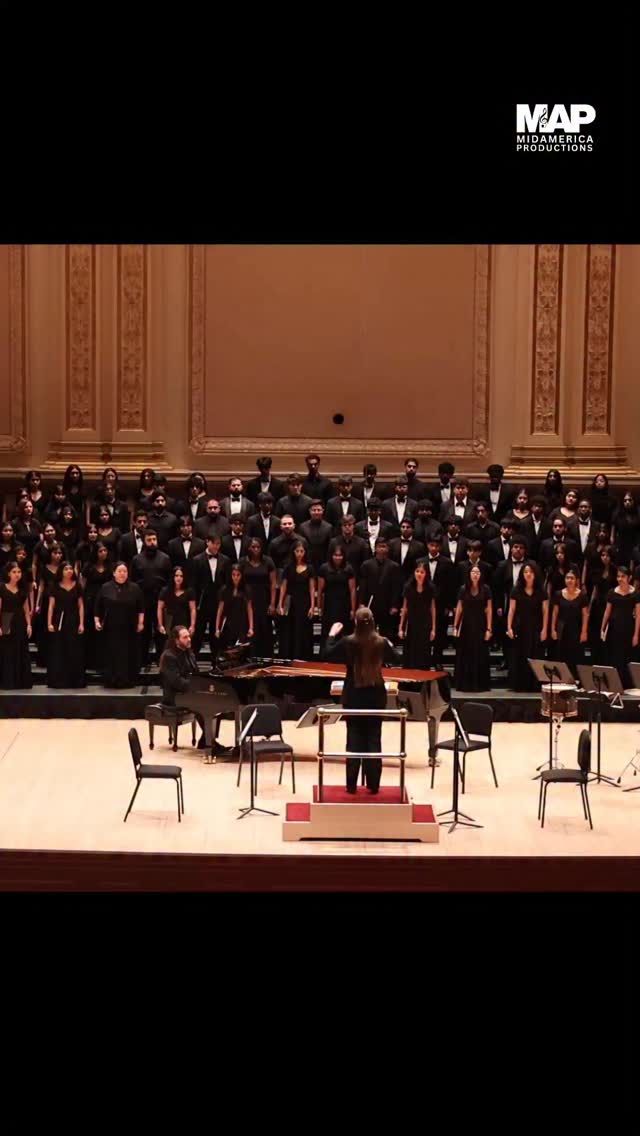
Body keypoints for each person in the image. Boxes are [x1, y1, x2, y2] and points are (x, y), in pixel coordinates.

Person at [322, 607, 403, 794]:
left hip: (354, 696)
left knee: (353, 740)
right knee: (374, 739)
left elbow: (326, 654)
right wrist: (389, 644)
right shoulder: (381, 642)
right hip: (376, 697)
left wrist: (331, 635)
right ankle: (373, 784)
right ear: (373, 622)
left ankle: (351, 785)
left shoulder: (347, 642)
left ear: (356, 623)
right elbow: (398, 659)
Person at [158, 624, 210, 756]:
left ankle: (207, 739)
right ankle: (210, 742)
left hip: (188, 692)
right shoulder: (168, 656)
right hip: (174, 696)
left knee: (214, 701)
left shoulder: (189, 653)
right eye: (185, 637)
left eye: (189, 636)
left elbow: (196, 674)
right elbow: (176, 681)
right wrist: (195, 689)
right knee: (202, 704)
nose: (189, 639)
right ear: (176, 640)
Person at [95, 562, 144, 688]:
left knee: (128, 653)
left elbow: (141, 608)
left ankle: (127, 680)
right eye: (120, 571)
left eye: (125, 571)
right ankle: (111, 679)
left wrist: (140, 623)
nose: (122, 573)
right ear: (114, 573)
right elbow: (98, 607)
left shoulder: (135, 588)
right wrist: (97, 621)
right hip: (111, 627)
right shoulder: (105, 587)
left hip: (129, 627)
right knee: (111, 653)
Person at [130, 529, 172, 664]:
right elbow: (133, 581)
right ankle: (143, 659)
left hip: (161, 601)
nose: (152, 542)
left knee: (161, 631)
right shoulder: (137, 559)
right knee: (144, 632)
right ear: (144, 541)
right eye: (149, 540)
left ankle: (162, 659)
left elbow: (169, 581)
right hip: (143, 600)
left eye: (154, 539)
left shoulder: (165, 558)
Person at [506, 562, 548, 691]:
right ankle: (520, 684)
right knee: (520, 655)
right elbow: (511, 610)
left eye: (531, 572)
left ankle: (534, 684)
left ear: (535, 574)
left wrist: (544, 629)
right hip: (520, 627)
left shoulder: (541, 591)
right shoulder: (516, 590)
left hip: (536, 627)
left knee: (535, 655)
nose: (528, 574)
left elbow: (545, 611)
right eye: (525, 572)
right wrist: (509, 627)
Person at [453, 565, 492, 692]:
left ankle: (480, 684)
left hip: (480, 625)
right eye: (473, 572)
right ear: (469, 574)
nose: (475, 574)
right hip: (466, 625)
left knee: (480, 653)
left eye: (478, 572)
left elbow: (489, 609)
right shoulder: (463, 589)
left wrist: (489, 629)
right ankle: (465, 683)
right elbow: (459, 608)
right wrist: (455, 626)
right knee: (466, 654)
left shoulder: (486, 589)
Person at [46, 562, 85, 688]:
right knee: (59, 650)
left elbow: (81, 606)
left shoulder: (77, 585)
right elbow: (51, 606)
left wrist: (81, 623)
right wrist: (49, 623)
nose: (69, 571)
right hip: (59, 620)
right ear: (61, 571)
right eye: (66, 569)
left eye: (70, 568)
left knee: (74, 649)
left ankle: (74, 680)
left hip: (73, 620)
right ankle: (59, 680)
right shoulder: (54, 586)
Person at [192, 536, 231, 656]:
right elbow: (193, 584)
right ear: (207, 542)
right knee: (198, 633)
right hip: (202, 602)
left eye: (218, 544)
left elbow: (227, 582)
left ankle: (216, 662)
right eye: (213, 543)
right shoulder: (196, 560)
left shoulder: (225, 560)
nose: (216, 546)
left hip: (219, 602)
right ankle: (193, 661)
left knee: (217, 632)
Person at [601, 566, 640, 686]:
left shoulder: (635, 594)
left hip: (629, 629)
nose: (620, 579)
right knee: (615, 657)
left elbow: (638, 615)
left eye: (623, 576)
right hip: (614, 629)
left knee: (628, 658)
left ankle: (628, 685)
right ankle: (615, 685)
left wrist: (636, 635)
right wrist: (602, 628)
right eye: (618, 576)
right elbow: (607, 612)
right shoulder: (612, 592)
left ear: (629, 578)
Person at [358, 538, 403, 639]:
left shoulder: (394, 566)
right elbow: (363, 586)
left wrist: (394, 605)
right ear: (375, 548)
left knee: (387, 634)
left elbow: (396, 588)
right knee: (369, 633)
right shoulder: (366, 565)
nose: (382, 549)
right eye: (379, 546)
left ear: (388, 549)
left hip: (387, 605)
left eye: (384, 546)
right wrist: (361, 603)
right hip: (371, 603)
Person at [277, 542, 316, 659]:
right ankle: (290, 656)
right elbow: (283, 586)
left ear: (305, 552)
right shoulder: (288, 568)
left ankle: (303, 656)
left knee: (303, 629)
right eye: (297, 551)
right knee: (290, 628)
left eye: (301, 551)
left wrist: (312, 606)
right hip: (291, 602)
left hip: (304, 602)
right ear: (293, 552)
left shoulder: (310, 568)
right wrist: (280, 604)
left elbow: (312, 588)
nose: (299, 554)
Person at [240, 538, 277, 657]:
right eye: (253, 547)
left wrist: (272, 604)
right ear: (248, 548)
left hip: (264, 599)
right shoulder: (242, 562)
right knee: (248, 628)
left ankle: (264, 658)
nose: (256, 549)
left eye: (258, 547)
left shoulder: (268, 561)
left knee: (264, 628)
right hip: (247, 600)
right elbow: (239, 582)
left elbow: (273, 583)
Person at [550, 569, 589, 676]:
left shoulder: (582, 595)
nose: (569, 580)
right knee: (561, 655)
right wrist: (553, 629)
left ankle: (575, 679)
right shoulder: (558, 594)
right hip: (562, 629)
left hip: (576, 629)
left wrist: (584, 632)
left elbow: (585, 615)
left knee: (575, 655)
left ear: (576, 580)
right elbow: (555, 613)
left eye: (572, 578)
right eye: (567, 578)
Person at [81, 542, 113, 671]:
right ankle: (90, 662)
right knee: (91, 633)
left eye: (105, 550)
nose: (103, 553)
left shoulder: (110, 566)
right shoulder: (88, 567)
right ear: (95, 553)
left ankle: (103, 662)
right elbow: (82, 585)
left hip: (105, 602)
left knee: (104, 633)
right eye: (100, 551)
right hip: (90, 601)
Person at [398, 561, 436, 669]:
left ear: (426, 574)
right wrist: (401, 627)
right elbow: (405, 608)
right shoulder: (408, 587)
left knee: (423, 650)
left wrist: (433, 629)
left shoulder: (430, 588)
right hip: (411, 622)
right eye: (417, 571)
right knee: (410, 650)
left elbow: (432, 608)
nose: (419, 574)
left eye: (422, 572)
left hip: (425, 622)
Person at [0, 563, 33, 688]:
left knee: (20, 648)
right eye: (14, 572)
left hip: (19, 620)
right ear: (9, 573)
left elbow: (26, 609)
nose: (17, 574)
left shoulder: (23, 590)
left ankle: (20, 681)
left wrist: (29, 624)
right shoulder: (2, 587)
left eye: (19, 572)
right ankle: (7, 680)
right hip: (6, 618)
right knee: (7, 650)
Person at [317, 546, 356, 645]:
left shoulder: (348, 568)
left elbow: (352, 590)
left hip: (344, 605)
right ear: (331, 556)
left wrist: (353, 609)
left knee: (344, 631)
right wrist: (319, 607)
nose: (338, 558)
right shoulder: (324, 568)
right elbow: (320, 590)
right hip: (329, 605)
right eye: (335, 555)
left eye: (340, 555)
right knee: (328, 631)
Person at [587, 545, 617, 664]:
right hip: (598, 604)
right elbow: (595, 589)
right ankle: (596, 660)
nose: (605, 557)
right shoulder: (597, 570)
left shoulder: (615, 570)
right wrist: (590, 607)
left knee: (608, 634)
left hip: (610, 604)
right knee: (596, 632)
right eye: (603, 555)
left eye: (607, 555)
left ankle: (607, 661)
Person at [216, 563, 254, 649]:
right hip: (228, 623)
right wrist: (217, 628)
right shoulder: (224, 590)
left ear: (241, 576)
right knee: (228, 648)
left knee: (241, 649)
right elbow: (220, 610)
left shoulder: (246, 589)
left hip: (242, 623)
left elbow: (249, 609)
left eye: (238, 575)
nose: (236, 577)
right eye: (233, 575)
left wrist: (251, 627)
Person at [157, 566, 196, 639]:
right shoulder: (165, 590)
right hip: (169, 622)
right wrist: (160, 624)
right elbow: (160, 608)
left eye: (181, 576)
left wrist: (192, 625)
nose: (179, 578)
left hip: (184, 621)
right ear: (173, 576)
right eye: (176, 575)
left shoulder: (189, 591)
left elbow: (192, 609)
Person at [167, 516, 206, 585]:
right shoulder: (172, 544)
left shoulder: (201, 543)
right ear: (179, 527)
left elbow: (202, 563)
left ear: (192, 527)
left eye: (188, 525)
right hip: (178, 579)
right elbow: (171, 563)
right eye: (183, 526)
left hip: (196, 579)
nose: (185, 528)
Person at [298, 501, 333, 571]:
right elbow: (300, 547)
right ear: (309, 511)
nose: (316, 512)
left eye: (319, 510)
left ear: (323, 511)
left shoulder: (329, 527)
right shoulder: (302, 527)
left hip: (324, 563)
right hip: (307, 562)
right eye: (314, 510)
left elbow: (330, 548)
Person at [612, 493, 640, 568]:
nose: (627, 502)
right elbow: (613, 530)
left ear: (633, 501)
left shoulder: (638, 513)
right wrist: (613, 541)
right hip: (622, 544)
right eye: (625, 500)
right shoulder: (618, 514)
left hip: (635, 544)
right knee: (621, 567)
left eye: (629, 500)